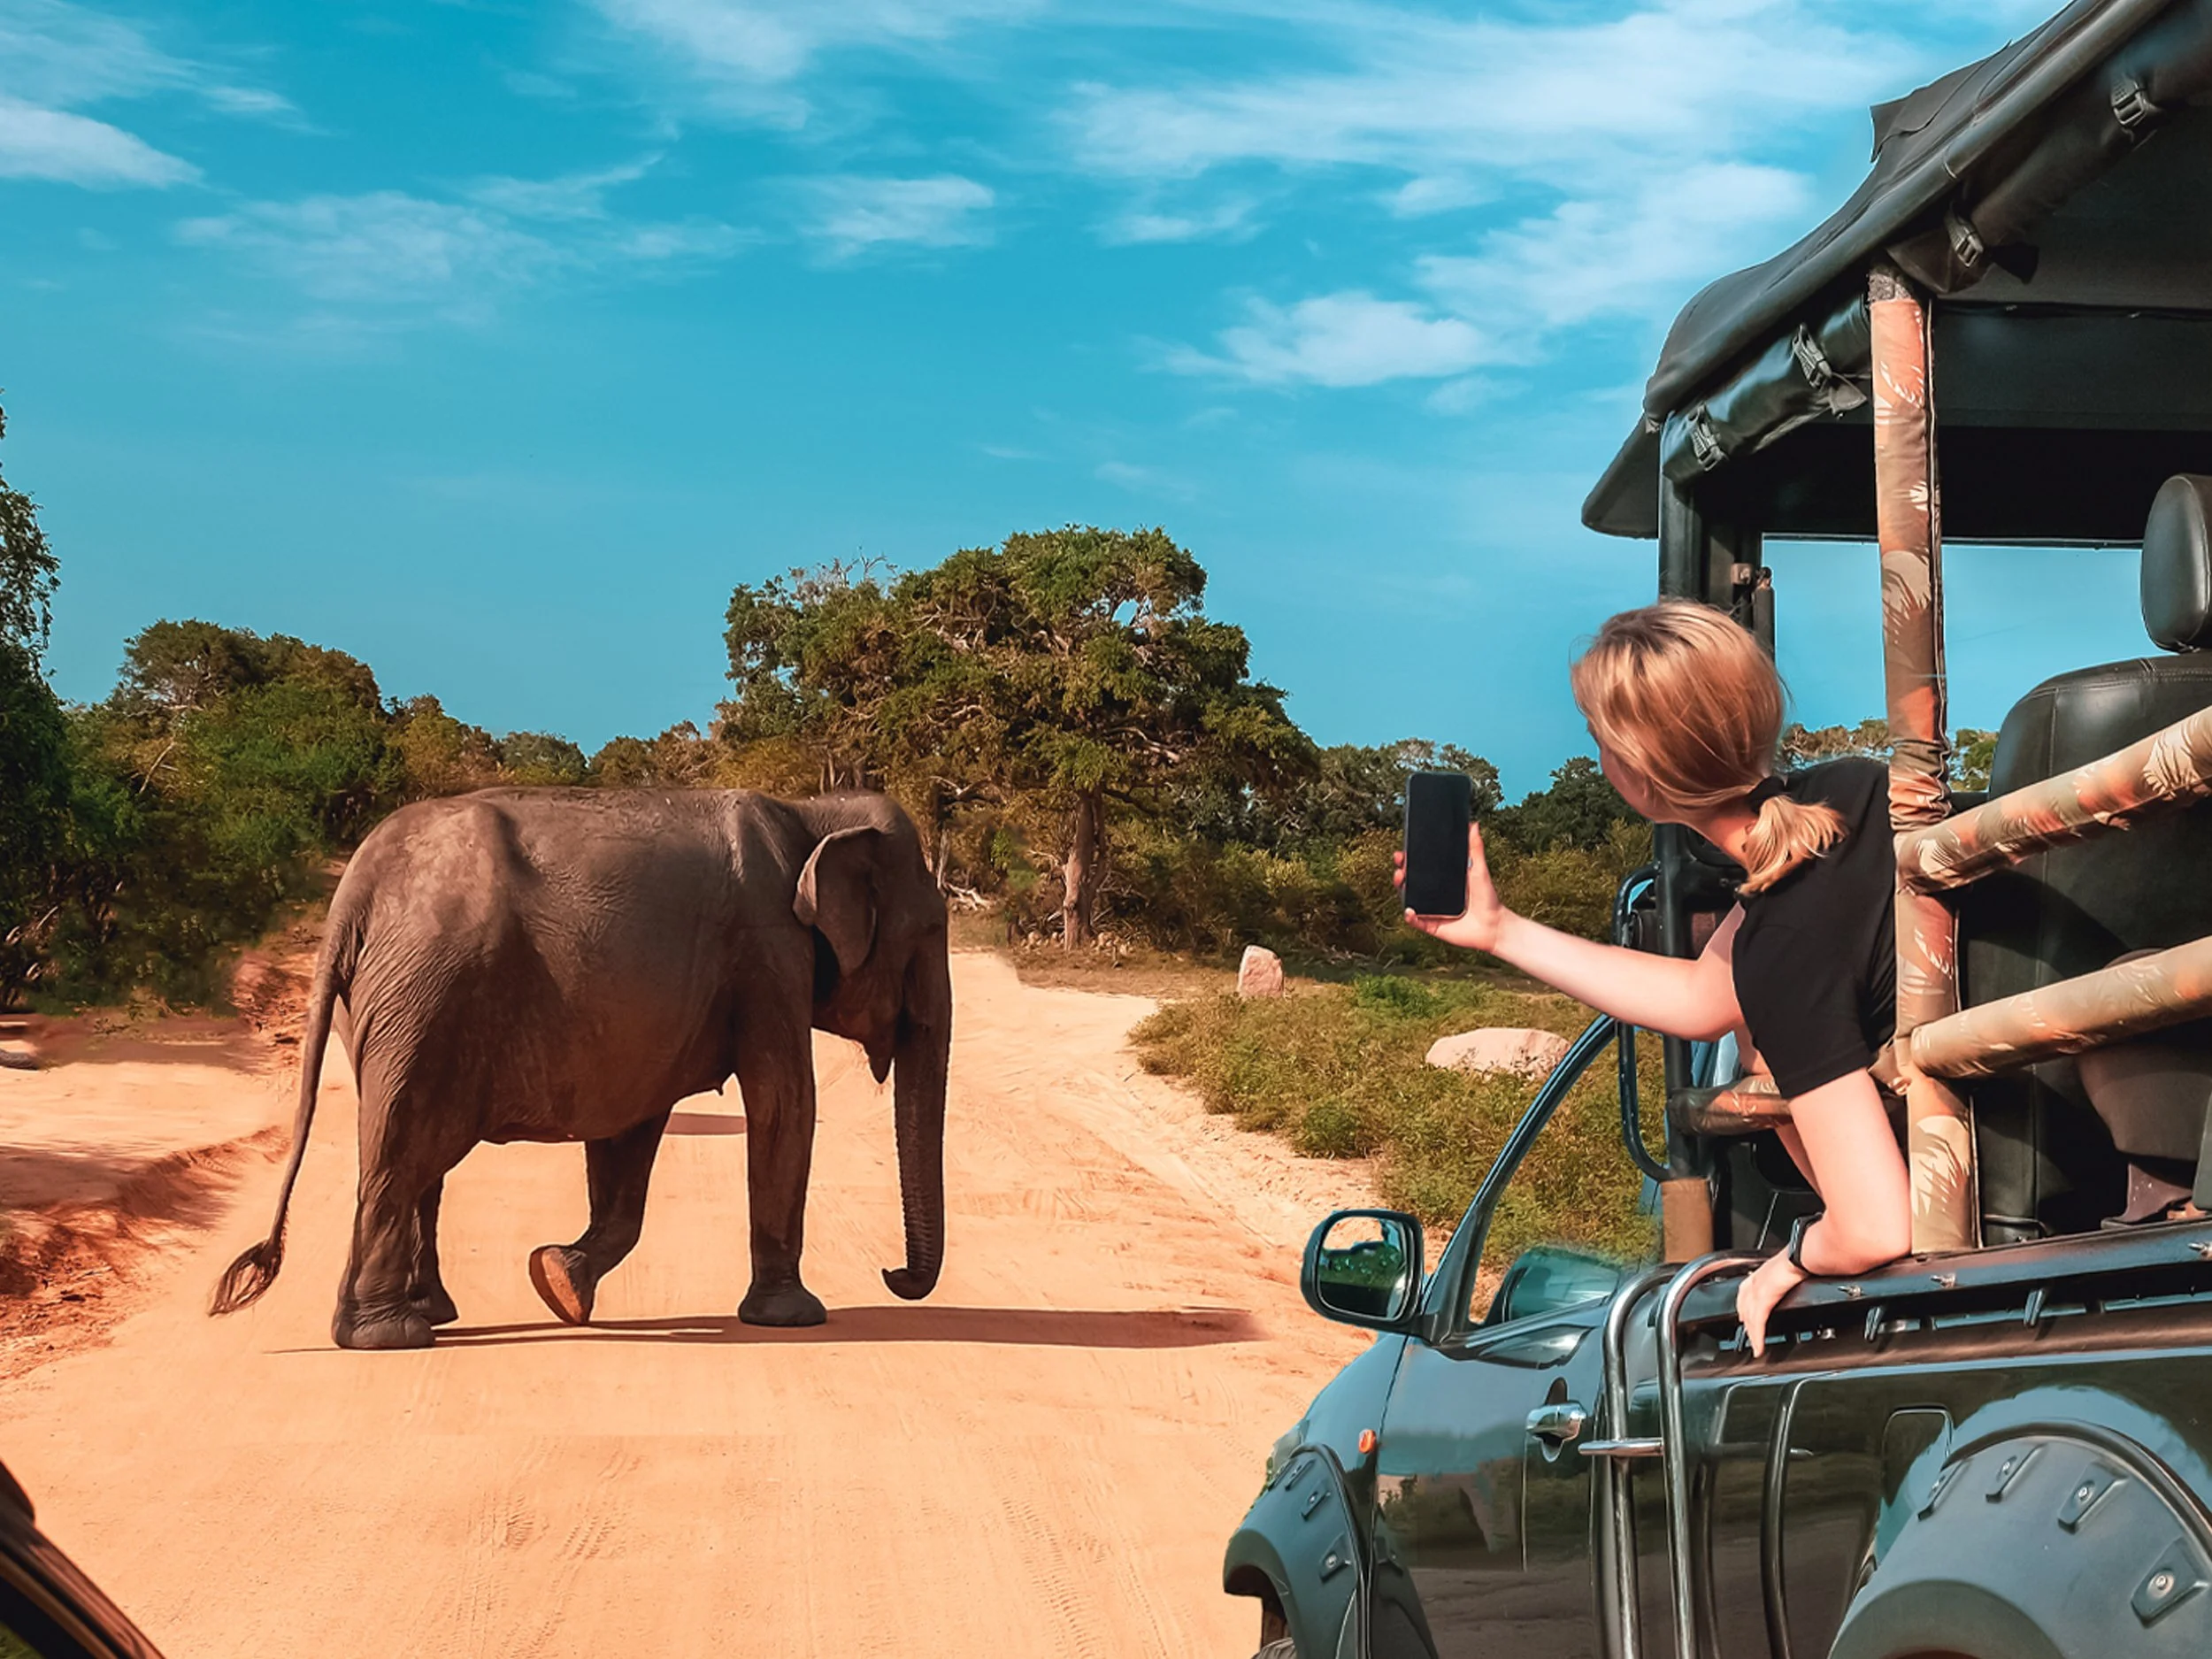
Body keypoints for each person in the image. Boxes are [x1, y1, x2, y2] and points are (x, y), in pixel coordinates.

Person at [1397, 600, 1912, 1356]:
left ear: (1637, 775)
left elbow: (1874, 1222)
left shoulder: (1785, 943)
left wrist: (1788, 1262)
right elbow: (1704, 994)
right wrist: (1500, 930)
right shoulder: (1859, 788)